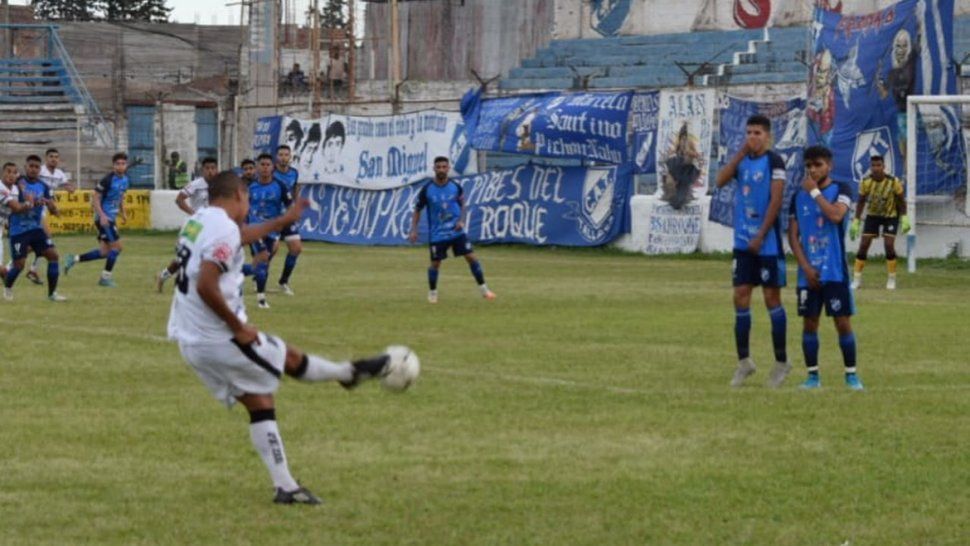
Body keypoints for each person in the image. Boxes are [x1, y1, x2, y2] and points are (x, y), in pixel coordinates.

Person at [167, 170, 395, 504]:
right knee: (286, 357)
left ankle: (286, 487)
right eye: (248, 200)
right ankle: (348, 374)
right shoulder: (222, 227)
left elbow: (238, 237)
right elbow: (206, 283)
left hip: (191, 338)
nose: (249, 207)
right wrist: (238, 327)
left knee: (260, 403)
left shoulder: (199, 220)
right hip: (218, 337)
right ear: (239, 196)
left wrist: (281, 222)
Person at [714, 114, 790, 388]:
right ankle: (744, 363)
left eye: (757, 133)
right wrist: (738, 155)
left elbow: (777, 199)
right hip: (743, 244)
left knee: (772, 299)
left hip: (767, 244)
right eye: (748, 132)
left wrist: (761, 234)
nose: (752, 137)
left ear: (767, 136)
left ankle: (782, 362)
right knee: (740, 296)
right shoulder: (742, 161)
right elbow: (720, 180)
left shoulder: (774, 162)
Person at [788, 146, 863, 391]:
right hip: (808, 273)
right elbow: (793, 236)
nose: (812, 169)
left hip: (834, 271)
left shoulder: (842, 190)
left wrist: (815, 193)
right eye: (808, 165)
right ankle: (812, 377)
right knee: (810, 323)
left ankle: (851, 375)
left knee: (842, 322)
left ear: (829, 165)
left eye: (817, 164)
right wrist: (805, 267)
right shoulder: (797, 196)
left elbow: (835, 216)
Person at [408, 156, 496, 304]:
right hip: (438, 234)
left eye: (444, 167)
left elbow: (463, 204)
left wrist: (462, 220)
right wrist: (414, 230)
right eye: (439, 167)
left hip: (456, 232)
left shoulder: (455, 186)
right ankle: (433, 293)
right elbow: (417, 209)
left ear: (448, 168)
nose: (441, 169)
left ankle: (485, 290)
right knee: (435, 264)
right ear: (434, 169)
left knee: (471, 257)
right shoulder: (427, 189)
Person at [3, 155, 66, 302]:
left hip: (36, 228)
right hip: (18, 229)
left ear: (40, 169)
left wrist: (53, 209)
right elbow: (11, 203)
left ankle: (52, 294)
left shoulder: (44, 187)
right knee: (19, 265)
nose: (33, 169)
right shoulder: (17, 183)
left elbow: (50, 205)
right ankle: (7, 288)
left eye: (36, 167)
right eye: (31, 166)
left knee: (53, 256)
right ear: (25, 167)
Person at [64, 152, 130, 287]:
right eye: (118, 164)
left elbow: (120, 196)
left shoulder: (125, 180)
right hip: (104, 219)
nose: (120, 166)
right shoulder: (107, 179)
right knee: (117, 248)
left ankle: (74, 259)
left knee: (104, 252)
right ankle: (105, 278)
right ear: (113, 165)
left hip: (111, 217)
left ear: (126, 165)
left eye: (123, 163)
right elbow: (95, 198)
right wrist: (103, 216)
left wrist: (123, 212)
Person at [157, 157, 219, 291]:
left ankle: (193, 283)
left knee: (208, 256)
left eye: (213, 168)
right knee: (183, 256)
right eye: (207, 168)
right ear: (202, 170)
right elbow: (179, 200)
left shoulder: (220, 185)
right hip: (194, 225)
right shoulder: (196, 184)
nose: (210, 171)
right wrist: (193, 213)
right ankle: (163, 275)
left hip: (211, 226)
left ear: (217, 169)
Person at [850, 155, 909, 290]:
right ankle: (857, 279)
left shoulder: (893, 181)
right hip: (873, 215)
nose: (876, 168)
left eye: (878, 165)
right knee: (864, 244)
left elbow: (901, 200)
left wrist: (904, 217)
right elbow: (861, 201)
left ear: (884, 167)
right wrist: (856, 220)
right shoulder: (866, 182)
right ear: (870, 167)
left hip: (890, 215)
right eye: (873, 166)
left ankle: (891, 279)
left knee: (888, 245)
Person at [23, 148, 74, 286]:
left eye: (56, 157)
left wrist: (69, 188)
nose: (54, 159)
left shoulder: (59, 174)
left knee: (37, 244)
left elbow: (66, 184)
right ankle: (16, 269)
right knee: (47, 239)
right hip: (35, 210)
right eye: (51, 156)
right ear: (46, 159)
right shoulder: (40, 171)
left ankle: (30, 270)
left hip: (44, 208)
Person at [250, 154, 291, 309]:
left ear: (272, 167)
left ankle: (236, 273)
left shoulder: (280, 186)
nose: (265, 167)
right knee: (263, 258)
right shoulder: (250, 187)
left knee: (264, 263)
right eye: (262, 164)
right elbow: (243, 207)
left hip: (272, 230)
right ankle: (261, 299)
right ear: (257, 167)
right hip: (255, 229)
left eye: (268, 164)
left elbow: (289, 206)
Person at [273, 145, 302, 296]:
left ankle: (283, 282)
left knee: (296, 248)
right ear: (277, 156)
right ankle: (260, 275)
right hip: (273, 217)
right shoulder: (270, 173)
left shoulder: (294, 173)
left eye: (286, 155)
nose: (284, 157)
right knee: (272, 249)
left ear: (290, 157)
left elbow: (295, 191)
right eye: (281, 154)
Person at [1, 162, 31, 281]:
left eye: (14, 172)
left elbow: (17, 210)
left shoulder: (15, 189)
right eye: (8, 171)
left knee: (29, 246)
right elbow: (17, 207)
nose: (11, 175)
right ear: (2, 173)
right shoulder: (1, 188)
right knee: (3, 271)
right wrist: (29, 203)